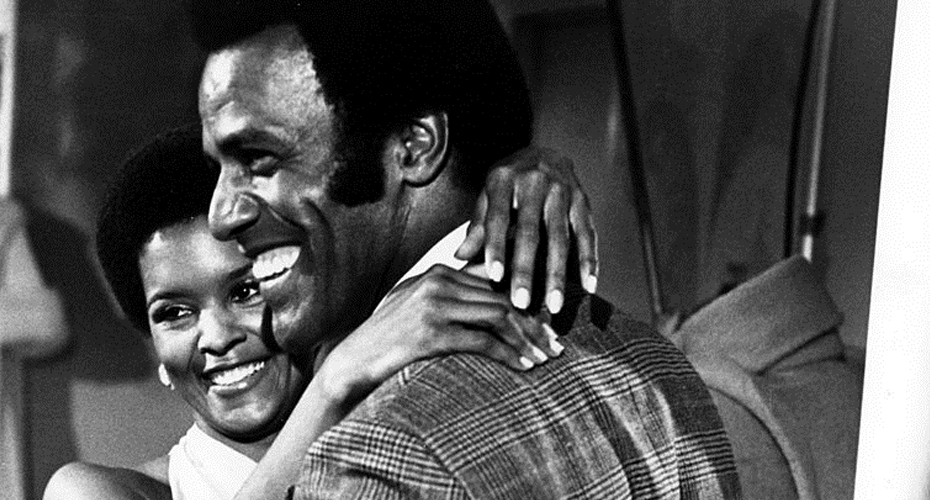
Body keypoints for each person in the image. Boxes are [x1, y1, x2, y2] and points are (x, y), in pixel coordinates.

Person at [192, 0, 742, 497]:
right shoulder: (654, 361)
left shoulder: (378, 456)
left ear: (415, 148)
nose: (221, 216)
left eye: (259, 159)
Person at [44, 123, 593, 499]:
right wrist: (333, 384)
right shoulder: (101, 491)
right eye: (174, 314)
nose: (215, 336)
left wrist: (521, 176)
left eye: (245, 291)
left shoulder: (399, 436)